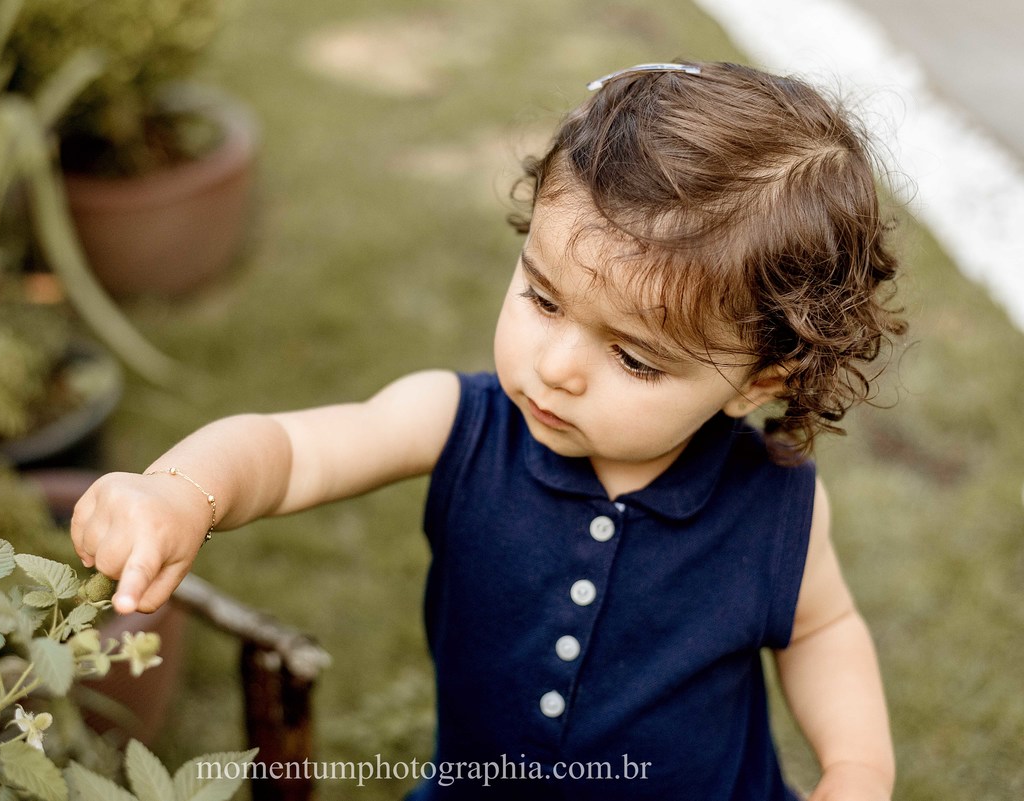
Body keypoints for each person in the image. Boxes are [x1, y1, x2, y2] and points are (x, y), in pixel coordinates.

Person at [71, 61, 903, 800]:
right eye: (543, 300)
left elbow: (822, 627)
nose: (557, 367)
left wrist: (857, 768)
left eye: (636, 360)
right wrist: (179, 489)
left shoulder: (774, 503)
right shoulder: (459, 425)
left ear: (757, 382)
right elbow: (294, 452)